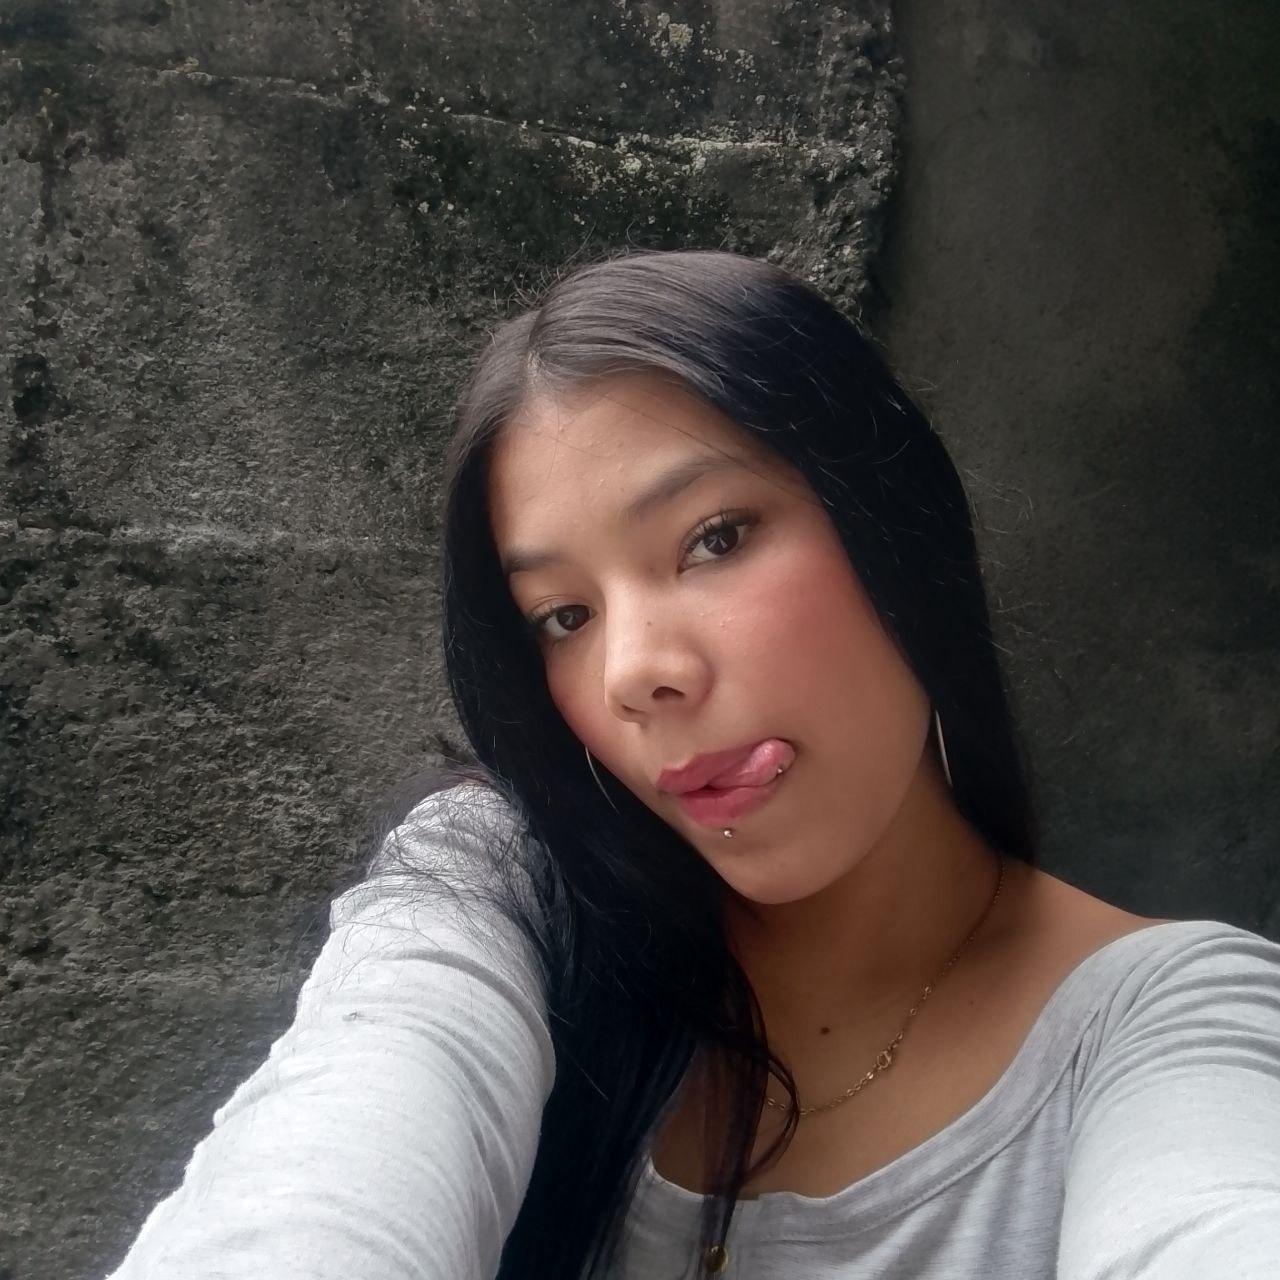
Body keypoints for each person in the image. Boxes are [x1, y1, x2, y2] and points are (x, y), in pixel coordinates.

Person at [104, 250, 1280, 1280]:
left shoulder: (1170, 1025)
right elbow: (332, 1157)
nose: (632, 672)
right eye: (562, 615)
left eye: (713, 538)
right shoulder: (509, 893)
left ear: (896, 522)